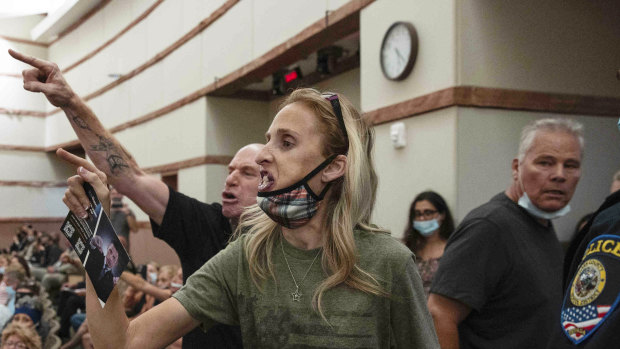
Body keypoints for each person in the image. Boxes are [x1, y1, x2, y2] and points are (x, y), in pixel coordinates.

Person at [61, 88, 438, 347]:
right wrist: (98, 230)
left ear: (334, 167)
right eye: (269, 139)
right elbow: (121, 342)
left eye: (286, 143)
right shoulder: (247, 256)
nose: (263, 156)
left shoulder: (388, 263)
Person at [9, 48, 257, 348]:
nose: (231, 177)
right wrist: (70, 102)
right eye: (230, 169)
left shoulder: (295, 252)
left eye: (247, 172)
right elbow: (129, 176)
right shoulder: (207, 224)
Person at [428, 118, 583, 349]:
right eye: (545, 162)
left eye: (570, 165)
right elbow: (439, 314)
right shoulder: (489, 227)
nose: (559, 175)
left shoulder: (541, 222)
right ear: (516, 168)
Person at [403, 191, 455, 297]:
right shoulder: (406, 248)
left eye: (428, 213)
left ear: (442, 215)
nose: (422, 218)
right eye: (418, 214)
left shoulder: (453, 248)